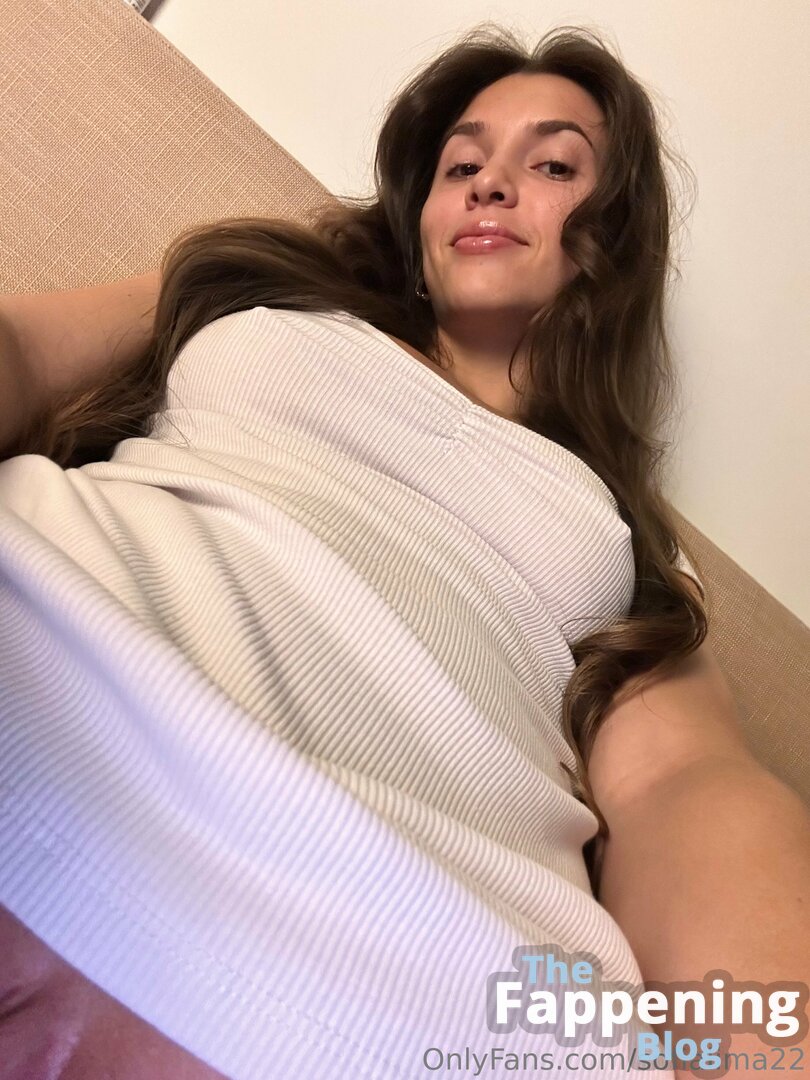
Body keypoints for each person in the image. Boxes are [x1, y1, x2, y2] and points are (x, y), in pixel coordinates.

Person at [0, 22, 808, 1080]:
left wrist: (762, 1047)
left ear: (610, 235)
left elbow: (682, 785)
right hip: (48, 676)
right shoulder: (260, 291)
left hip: (409, 965)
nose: (489, 184)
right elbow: (22, 351)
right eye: (461, 166)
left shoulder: (628, 543)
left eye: (552, 165)